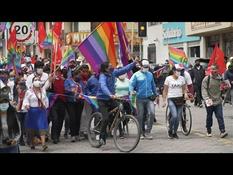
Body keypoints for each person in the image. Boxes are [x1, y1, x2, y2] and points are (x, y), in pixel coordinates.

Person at [97, 60, 137, 145]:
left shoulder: (114, 73)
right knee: (106, 118)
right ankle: (102, 137)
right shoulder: (102, 76)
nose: (112, 66)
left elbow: (124, 70)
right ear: (106, 69)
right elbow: (103, 86)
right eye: (110, 66)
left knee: (120, 106)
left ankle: (119, 126)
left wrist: (133, 63)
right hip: (102, 100)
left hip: (111, 99)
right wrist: (109, 94)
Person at [129, 59, 158, 140]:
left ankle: (148, 132)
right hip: (139, 99)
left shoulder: (150, 74)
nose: (146, 68)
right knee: (140, 116)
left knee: (152, 113)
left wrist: (156, 94)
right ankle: (141, 132)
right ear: (140, 67)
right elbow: (131, 84)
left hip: (149, 98)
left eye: (147, 67)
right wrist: (131, 92)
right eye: (144, 67)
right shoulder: (136, 75)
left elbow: (153, 85)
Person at [23, 76, 49, 151]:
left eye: (38, 79)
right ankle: (31, 143)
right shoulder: (29, 91)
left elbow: (45, 99)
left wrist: (46, 107)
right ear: (33, 82)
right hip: (32, 111)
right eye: (35, 80)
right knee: (32, 128)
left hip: (41, 111)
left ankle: (43, 144)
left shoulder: (43, 90)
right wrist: (26, 105)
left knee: (42, 127)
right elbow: (26, 100)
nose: (37, 81)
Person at [201, 64, 228, 138]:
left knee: (220, 116)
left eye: (214, 69)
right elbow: (203, 89)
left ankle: (222, 131)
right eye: (211, 69)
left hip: (218, 100)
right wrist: (206, 98)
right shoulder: (207, 79)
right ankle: (208, 129)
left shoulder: (221, 79)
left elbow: (224, 87)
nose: (213, 71)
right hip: (209, 100)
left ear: (217, 70)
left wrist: (225, 87)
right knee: (209, 116)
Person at [162, 64, 187, 139]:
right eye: (177, 70)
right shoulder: (168, 78)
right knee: (174, 115)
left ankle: (174, 132)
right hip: (171, 99)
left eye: (180, 70)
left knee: (178, 117)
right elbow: (165, 90)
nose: (179, 72)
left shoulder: (182, 78)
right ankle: (170, 129)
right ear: (173, 71)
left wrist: (185, 94)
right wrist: (164, 100)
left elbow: (184, 88)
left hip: (180, 99)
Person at [64, 68, 84, 142]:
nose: (79, 76)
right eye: (78, 75)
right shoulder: (68, 81)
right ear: (74, 75)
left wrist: (82, 94)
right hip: (71, 102)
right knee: (72, 118)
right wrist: (72, 91)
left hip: (80, 102)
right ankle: (72, 135)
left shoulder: (80, 82)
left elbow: (83, 90)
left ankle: (77, 134)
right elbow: (66, 90)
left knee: (78, 118)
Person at [0, 86, 21, 153]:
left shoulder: (13, 113)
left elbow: (18, 130)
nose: (3, 104)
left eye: (5, 102)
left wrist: (15, 140)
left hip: (12, 146)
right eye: (1, 102)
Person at [49, 67, 67, 144]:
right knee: (55, 119)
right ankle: (54, 136)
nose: (58, 73)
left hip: (62, 102)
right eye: (56, 72)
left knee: (60, 119)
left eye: (59, 72)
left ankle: (58, 135)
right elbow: (49, 90)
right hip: (54, 102)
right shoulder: (51, 80)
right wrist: (50, 82)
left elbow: (66, 90)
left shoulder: (64, 80)